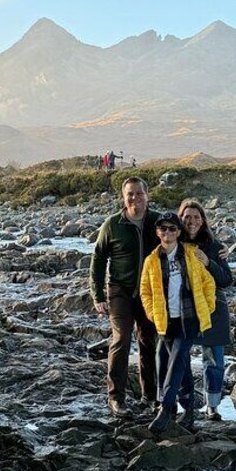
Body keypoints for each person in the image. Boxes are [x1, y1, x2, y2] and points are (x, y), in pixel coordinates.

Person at [90, 177, 161, 418]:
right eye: (130, 194)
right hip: (120, 291)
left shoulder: (157, 222)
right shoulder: (113, 224)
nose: (135, 198)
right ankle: (116, 398)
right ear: (123, 197)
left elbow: (188, 238)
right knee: (121, 339)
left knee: (148, 341)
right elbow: (98, 259)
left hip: (150, 293)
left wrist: (216, 250)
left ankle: (150, 397)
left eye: (139, 193)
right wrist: (97, 294)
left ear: (147, 195)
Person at [140, 211, 216, 433]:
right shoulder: (151, 260)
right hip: (165, 320)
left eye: (172, 228)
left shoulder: (192, 254)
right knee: (174, 363)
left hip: (190, 318)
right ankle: (189, 411)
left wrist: (207, 307)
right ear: (158, 232)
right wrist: (152, 314)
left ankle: (165, 407)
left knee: (176, 359)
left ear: (179, 232)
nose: (167, 232)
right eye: (163, 229)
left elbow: (208, 283)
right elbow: (145, 291)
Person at [179, 199, 232, 420]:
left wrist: (208, 261)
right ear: (180, 218)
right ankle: (187, 404)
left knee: (214, 359)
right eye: (187, 217)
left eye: (196, 217)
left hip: (214, 307)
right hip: (184, 307)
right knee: (181, 357)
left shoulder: (216, 246)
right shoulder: (171, 242)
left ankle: (212, 406)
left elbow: (226, 280)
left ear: (203, 221)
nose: (191, 222)